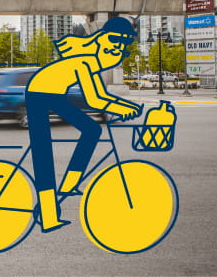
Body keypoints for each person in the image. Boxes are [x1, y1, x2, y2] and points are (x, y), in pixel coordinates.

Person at [25, 17, 142, 232]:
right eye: (114, 40)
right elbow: (94, 100)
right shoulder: (85, 61)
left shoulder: (93, 64)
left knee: (92, 129)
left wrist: (124, 105)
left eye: (122, 44)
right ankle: (49, 215)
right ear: (100, 38)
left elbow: (100, 94)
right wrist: (123, 108)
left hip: (53, 93)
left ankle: (69, 184)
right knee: (43, 152)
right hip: (38, 92)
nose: (117, 47)